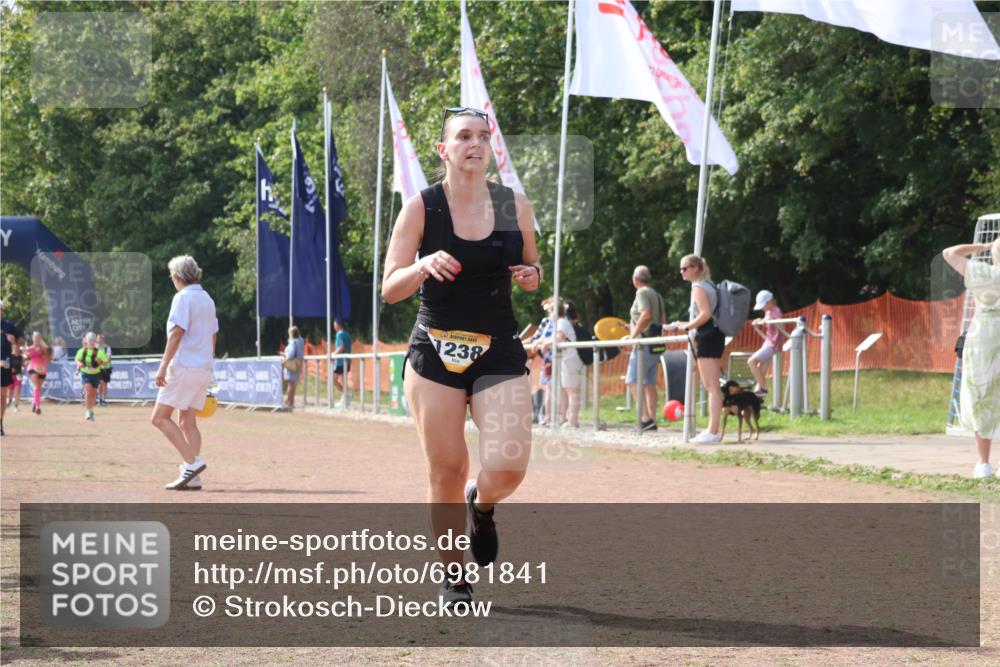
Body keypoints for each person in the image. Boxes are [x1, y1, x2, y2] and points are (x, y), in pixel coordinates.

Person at [381, 106, 541, 609]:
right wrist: (423, 264)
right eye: (463, 136)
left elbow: (532, 265)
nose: (475, 144)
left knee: (509, 463)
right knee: (446, 467)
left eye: (482, 137)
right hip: (436, 348)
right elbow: (389, 289)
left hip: (497, 344)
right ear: (443, 149)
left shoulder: (516, 205)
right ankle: (453, 578)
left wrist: (532, 277)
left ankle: (484, 502)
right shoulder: (420, 208)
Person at [150, 255, 218, 490]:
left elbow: (176, 333)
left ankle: (192, 463)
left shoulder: (182, 297)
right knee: (188, 422)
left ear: (177, 277)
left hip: (184, 366)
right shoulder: (207, 298)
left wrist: (162, 366)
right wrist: (207, 363)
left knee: (159, 418)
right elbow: (213, 336)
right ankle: (193, 475)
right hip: (203, 367)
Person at [943, 238, 1000, 478]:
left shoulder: (984, 273)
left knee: (981, 396)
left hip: (984, 337)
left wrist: (982, 248)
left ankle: (983, 463)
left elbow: (949, 252)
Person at [670, 255, 725, 443]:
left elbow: (705, 314)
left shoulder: (699, 287)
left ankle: (712, 431)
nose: (682, 272)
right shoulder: (709, 285)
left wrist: (687, 326)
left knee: (711, 386)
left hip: (707, 337)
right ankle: (713, 429)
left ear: (695, 268)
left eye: (684, 268)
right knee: (713, 385)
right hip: (715, 335)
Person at [626, 265, 665, 431]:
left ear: (635, 279)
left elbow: (646, 314)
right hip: (656, 342)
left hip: (643, 344)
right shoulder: (657, 294)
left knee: (632, 380)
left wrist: (633, 335)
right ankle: (652, 420)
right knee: (649, 383)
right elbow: (662, 318)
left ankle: (644, 419)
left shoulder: (641, 292)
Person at [554, 301, 584, 427]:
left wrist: (544, 343)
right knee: (569, 390)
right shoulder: (563, 322)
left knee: (572, 391)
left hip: (570, 359)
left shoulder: (561, 322)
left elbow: (559, 337)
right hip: (569, 359)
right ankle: (569, 419)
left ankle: (572, 421)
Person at [748, 290, 784, 396]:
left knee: (751, 361)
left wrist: (769, 320)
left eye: (763, 305)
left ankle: (761, 387)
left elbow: (780, 326)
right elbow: (767, 321)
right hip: (769, 341)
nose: (762, 308)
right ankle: (759, 389)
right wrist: (760, 321)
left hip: (773, 344)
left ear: (769, 302)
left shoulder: (776, 311)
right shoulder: (768, 311)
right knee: (761, 367)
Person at [0, 300, 23, 436]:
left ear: (2, 311)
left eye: (0, 309)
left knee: (2, 397)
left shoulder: (8, 325)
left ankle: (0, 423)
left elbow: (22, 341)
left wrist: (13, 340)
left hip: (4, 364)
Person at [75, 332, 108, 421]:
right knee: (88, 391)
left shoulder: (99, 352)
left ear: (95, 341)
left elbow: (105, 364)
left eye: (93, 340)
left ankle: (91, 410)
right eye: (90, 340)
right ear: (86, 341)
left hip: (96, 374)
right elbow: (77, 359)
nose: (91, 342)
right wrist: (79, 364)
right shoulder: (82, 351)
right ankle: (88, 411)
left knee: (93, 394)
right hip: (85, 374)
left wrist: (100, 362)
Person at [25, 332, 50, 415]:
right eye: (35, 338)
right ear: (33, 339)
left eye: (38, 338)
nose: (37, 339)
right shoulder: (30, 348)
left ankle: (34, 403)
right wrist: (26, 355)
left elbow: (48, 359)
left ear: (40, 339)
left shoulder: (44, 348)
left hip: (42, 369)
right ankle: (38, 407)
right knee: (36, 386)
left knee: (38, 388)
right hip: (32, 368)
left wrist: (41, 353)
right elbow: (25, 357)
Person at [281, 326, 304, 411]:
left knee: (290, 384)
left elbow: (290, 354)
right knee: (293, 384)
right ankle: (292, 402)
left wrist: (284, 355)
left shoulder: (293, 342)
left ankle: (288, 402)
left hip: (291, 363)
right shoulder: (301, 340)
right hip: (298, 363)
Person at [332, 319, 352, 407]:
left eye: (334, 324)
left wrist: (334, 354)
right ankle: (345, 398)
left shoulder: (339, 334)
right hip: (347, 361)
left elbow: (342, 346)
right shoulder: (347, 334)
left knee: (334, 380)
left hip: (340, 361)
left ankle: (346, 396)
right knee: (344, 381)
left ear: (338, 325)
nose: (334, 326)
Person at [8, 339, 24, 412]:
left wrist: (22, 369)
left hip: (18, 375)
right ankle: (10, 400)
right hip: (10, 376)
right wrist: (10, 369)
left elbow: (23, 365)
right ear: (13, 348)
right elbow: (7, 365)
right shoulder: (10, 356)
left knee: (17, 390)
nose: (16, 349)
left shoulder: (21, 357)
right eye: (15, 348)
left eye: (17, 348)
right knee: (10, 391)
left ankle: (16, 406)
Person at [96, 334, 112, 406]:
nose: (99, 341)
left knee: (105, 384)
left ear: (103, 340)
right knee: (100, 383)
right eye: (98, 339)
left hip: (106, 368)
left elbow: (108, 358)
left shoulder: (106, 347)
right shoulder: (94, 348)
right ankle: (99, 399)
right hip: (98, 369)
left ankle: (104, 399)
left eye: (100, 340)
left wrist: (101, 362)